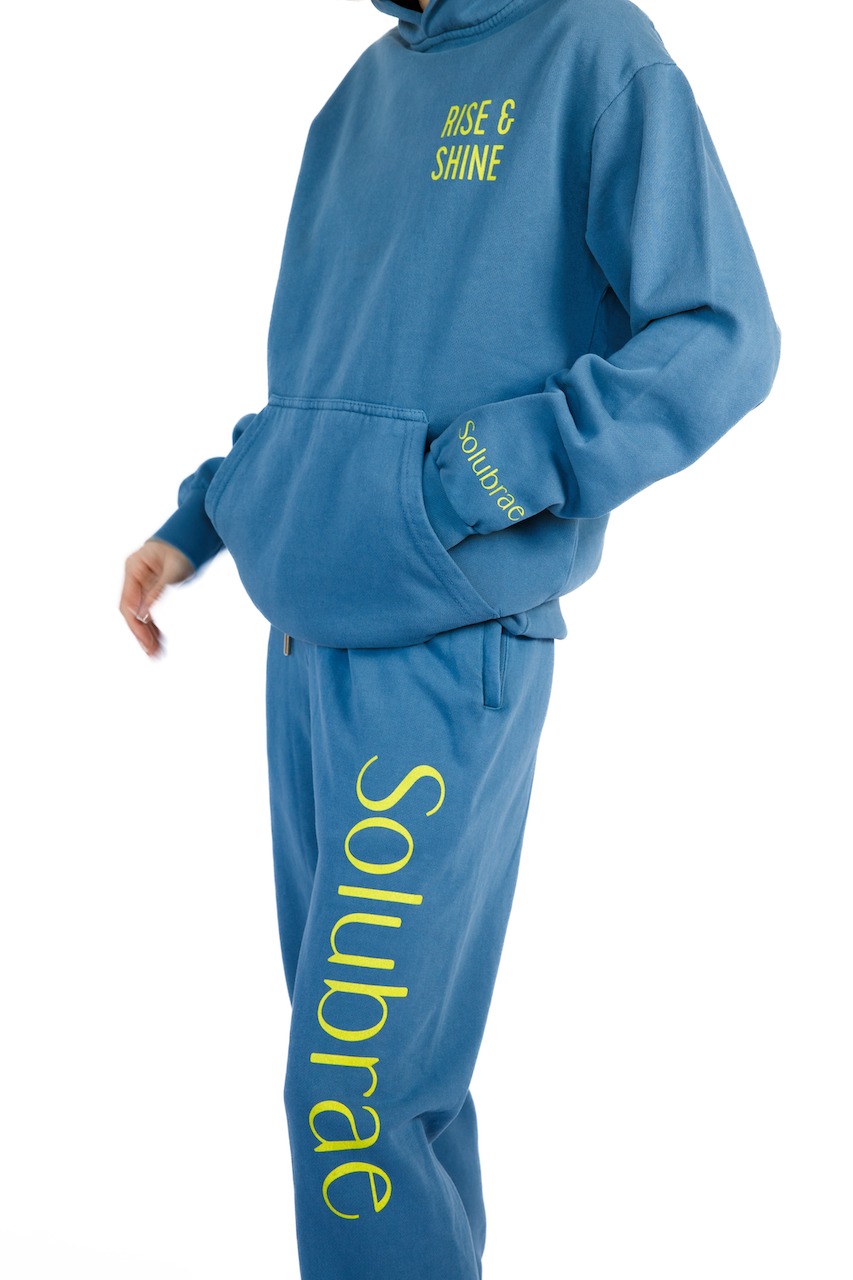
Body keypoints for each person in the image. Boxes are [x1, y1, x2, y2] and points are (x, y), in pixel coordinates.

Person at [120, 0, 781, 1275]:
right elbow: (322, 384)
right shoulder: (355, 100)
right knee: (390, 1084)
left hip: (442, 643)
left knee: (348, 1095)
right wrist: (207, 513)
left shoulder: (593, 50)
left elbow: (720, 333)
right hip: (301, 650)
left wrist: (478, 471)